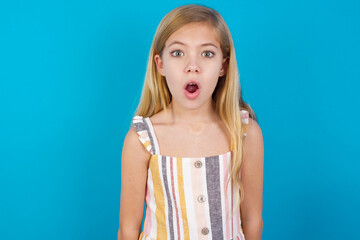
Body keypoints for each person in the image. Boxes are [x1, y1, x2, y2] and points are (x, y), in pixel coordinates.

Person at [118, 4, 264, 240]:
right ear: (160, 64)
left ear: (223, 66)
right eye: (178, 53)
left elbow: (252, 219)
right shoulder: (142, 140)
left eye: (207, 54)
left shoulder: (245, 133)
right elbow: (128, 229)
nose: (192, 66)